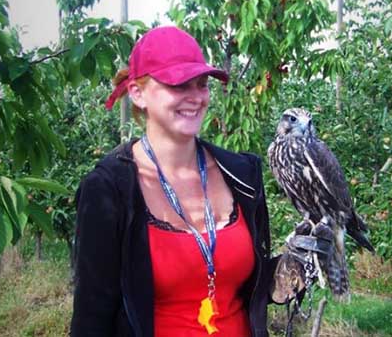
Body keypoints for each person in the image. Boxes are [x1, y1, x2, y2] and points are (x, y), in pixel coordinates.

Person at [70, 25, 276, 337]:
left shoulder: (242, 175)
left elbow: (248, 284)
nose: (195, 98)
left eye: (202, 84)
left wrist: (289, 269)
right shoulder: (109, 190)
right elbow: (92, 317)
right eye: (178, 85)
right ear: (137, 93)